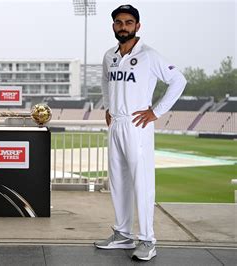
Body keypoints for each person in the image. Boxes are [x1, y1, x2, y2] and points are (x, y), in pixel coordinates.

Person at [94, 4, 186, 261]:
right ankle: (122, 234)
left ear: (137, 26)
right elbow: (104, 80)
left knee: (142, 182)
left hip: (138, 125)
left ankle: (147, 240)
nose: (123, 27)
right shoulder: (109, 56)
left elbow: (179, 81)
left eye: (129, 22)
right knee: (118, 181)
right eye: (119, 22)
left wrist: (156, 112)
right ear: (114, 26)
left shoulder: (149, 55)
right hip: (116, 123)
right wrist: (108, 106)